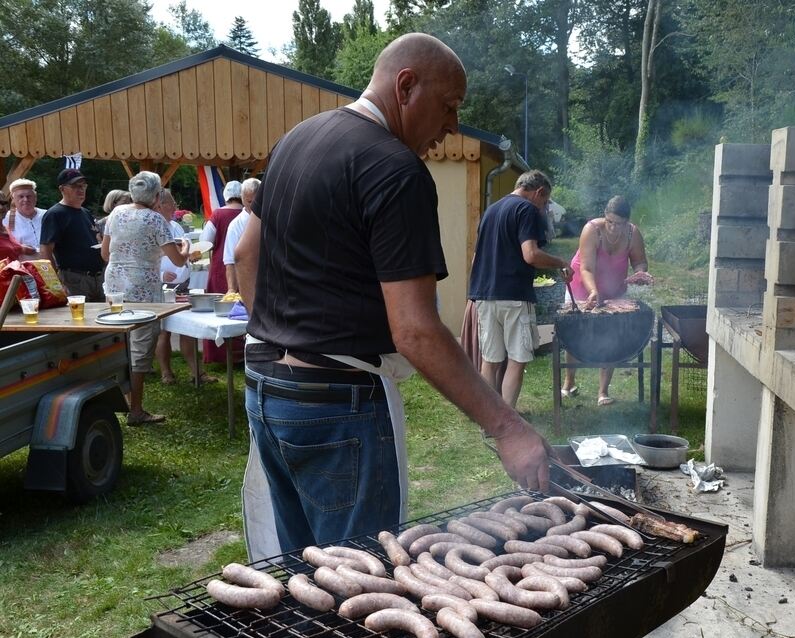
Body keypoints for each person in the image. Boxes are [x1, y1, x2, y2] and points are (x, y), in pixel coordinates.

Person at [233, 32, 550, 558]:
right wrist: (507, 428)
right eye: (448, 107)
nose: (450, 127)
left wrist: (281, 334)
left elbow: (247, 252)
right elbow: (415, 329)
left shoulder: (296, 139)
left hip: (268, 389)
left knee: (306, 575)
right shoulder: (396, 170)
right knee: (365, 577)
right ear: (406, 86)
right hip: (340, 405)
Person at [467, 170, 572, 408]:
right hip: (513, 295)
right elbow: (531, 255)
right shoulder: (526, 210)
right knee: (517, 359)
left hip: (484, 295)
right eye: (545, 202)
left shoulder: (490, 211)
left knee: (490, 360)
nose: (543, 207)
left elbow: (476, 260)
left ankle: (490, 420)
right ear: (539, 192)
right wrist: (561, 263)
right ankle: (508, 421)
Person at [101, 171, 191, 425]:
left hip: (115, 286)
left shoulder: (115, 214)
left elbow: (105, 254)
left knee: (119, 343)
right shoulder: (155, 220)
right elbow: (177, 259)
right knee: (140, 348)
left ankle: (124, 399)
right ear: (156, 195)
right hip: (143, 288)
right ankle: (136, 410)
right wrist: (185, 246)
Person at [561, 195, 650, 406]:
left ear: (627, 222)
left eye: (619, 223)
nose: (613, 227)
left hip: (614, 287)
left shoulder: (633, 234)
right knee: (573, 332)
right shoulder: (592, 230)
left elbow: (640, 261)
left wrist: (640, 273)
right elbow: (586, 267)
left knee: (612, 334)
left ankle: (603, 392)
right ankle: (569, 382)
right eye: (610, 221)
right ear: (604, 217)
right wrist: (593, 291)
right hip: (583, 285)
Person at [154, 188, 217, 386]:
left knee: (187, 327)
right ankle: (166, 372)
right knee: (164, 330)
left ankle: (196, 372)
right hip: (162, 285)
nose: (175, 207)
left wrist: (192, 255)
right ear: (160, 205)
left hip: (182, 284)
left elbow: (184, 250)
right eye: (172, 203)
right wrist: (160, 274)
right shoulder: (153, 226)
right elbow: (145, 258)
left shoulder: (176, 226)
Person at [39, 169, 105, 302]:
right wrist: (56, 283)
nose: (81, 190)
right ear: (62, 189)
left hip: (98, 278)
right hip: (74, 279)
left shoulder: (85, 212)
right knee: (80, 319)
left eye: (83, 186)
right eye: (75, 186)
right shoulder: (55, 214)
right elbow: (45, 251)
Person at [201, 180, 244, 364]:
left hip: (221, 266)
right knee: (242, 309)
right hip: (243, 265)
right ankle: (241, 353)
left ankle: (219, 355)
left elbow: (206, 242)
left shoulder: (217, 214)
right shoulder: (249, 213)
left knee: (219, 310)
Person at [222, 178, 260, 293]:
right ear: (242, 199)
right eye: (249, 201)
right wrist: (232, 289)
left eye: (257, 201)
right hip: (248, 281)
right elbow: (230, 261)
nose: (253, 205)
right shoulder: (235, 225)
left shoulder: (272, 218)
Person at [4, 178, 45, 255]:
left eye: (29, 196)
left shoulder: (46, 215)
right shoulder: (6, 219)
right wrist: (19, 247)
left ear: (35, 197)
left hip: (50, 263)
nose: (25, 199)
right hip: (22, 264)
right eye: (21, 196)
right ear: (13, 199)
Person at [0, 192, 36, 262]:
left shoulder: (6, 228)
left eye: (3, 203)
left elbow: (7, 248)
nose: (1, 207)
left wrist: (21, 248)